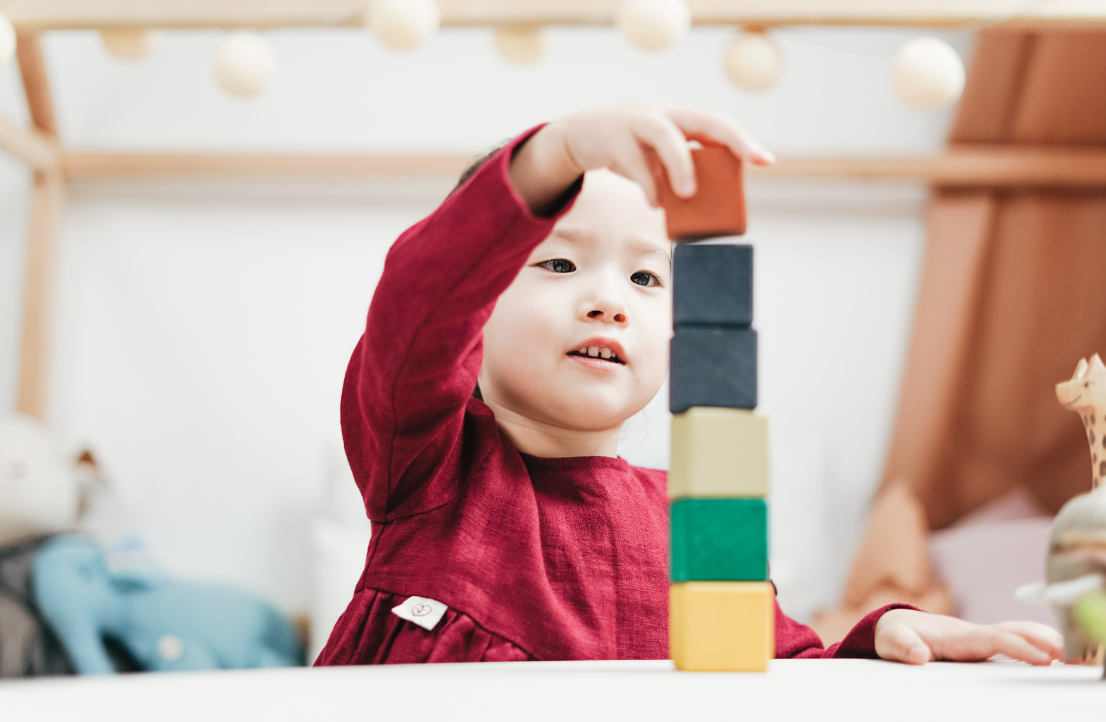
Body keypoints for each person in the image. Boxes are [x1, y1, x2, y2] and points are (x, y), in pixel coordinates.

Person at [315, 105, 1063, 666]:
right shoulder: (426, 471)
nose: (608, 300)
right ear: (475, 310)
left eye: (645, 276)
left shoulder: (698, 518)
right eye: (558, 263)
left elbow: (777, 668)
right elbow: (419, 301)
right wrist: (561, 152)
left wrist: (875, 642)